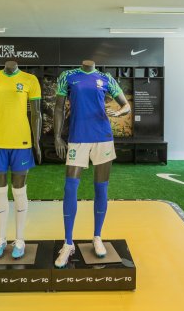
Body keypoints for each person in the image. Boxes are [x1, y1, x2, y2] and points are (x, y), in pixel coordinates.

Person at [53, 60, 131, 268]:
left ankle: (97, 237)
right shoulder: (67, 76)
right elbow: (59, 108)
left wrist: (121, 111)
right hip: (77, 136)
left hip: (102, 136)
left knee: (101, 188)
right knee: (70, 188)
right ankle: (68, 243)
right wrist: (57, 137)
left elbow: (126, 105)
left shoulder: (106, 79)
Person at [0, 61, 42, 260]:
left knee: (19, 190)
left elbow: (37, 114)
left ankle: (20, 239)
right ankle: (1, 239)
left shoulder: (30, 80)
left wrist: (36, 142)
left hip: (21, 143)